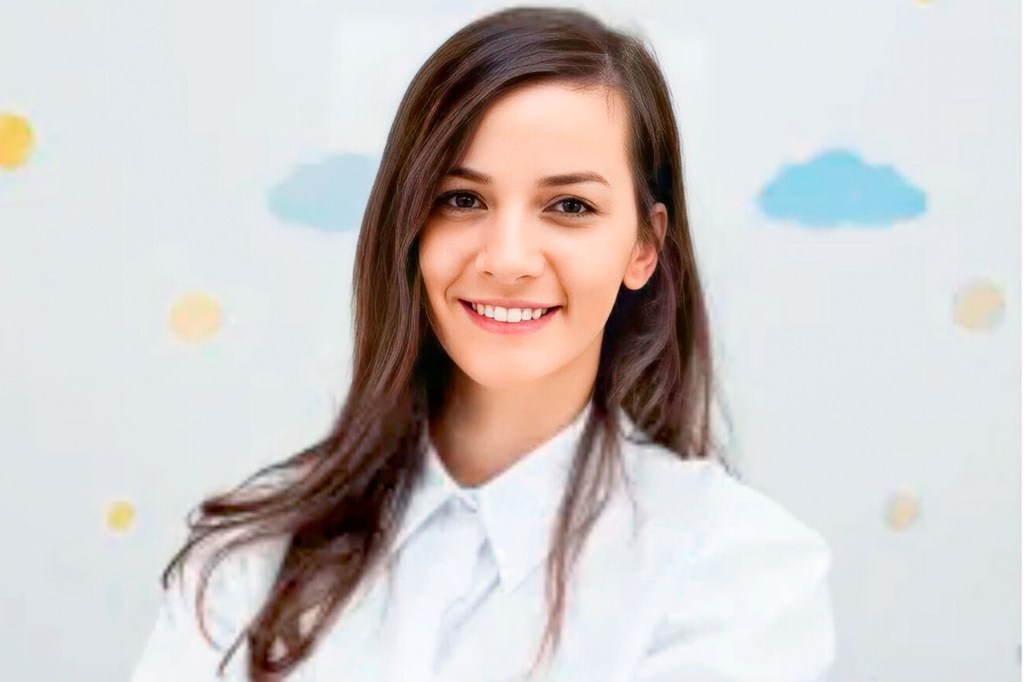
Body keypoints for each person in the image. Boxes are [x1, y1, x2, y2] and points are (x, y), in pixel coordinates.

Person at [130, 5, 836, 681]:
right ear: (408, 227)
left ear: (644, 249)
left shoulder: (739, 570)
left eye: (569, 207)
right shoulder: (255, 552)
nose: (507, 258)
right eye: (462, 199)